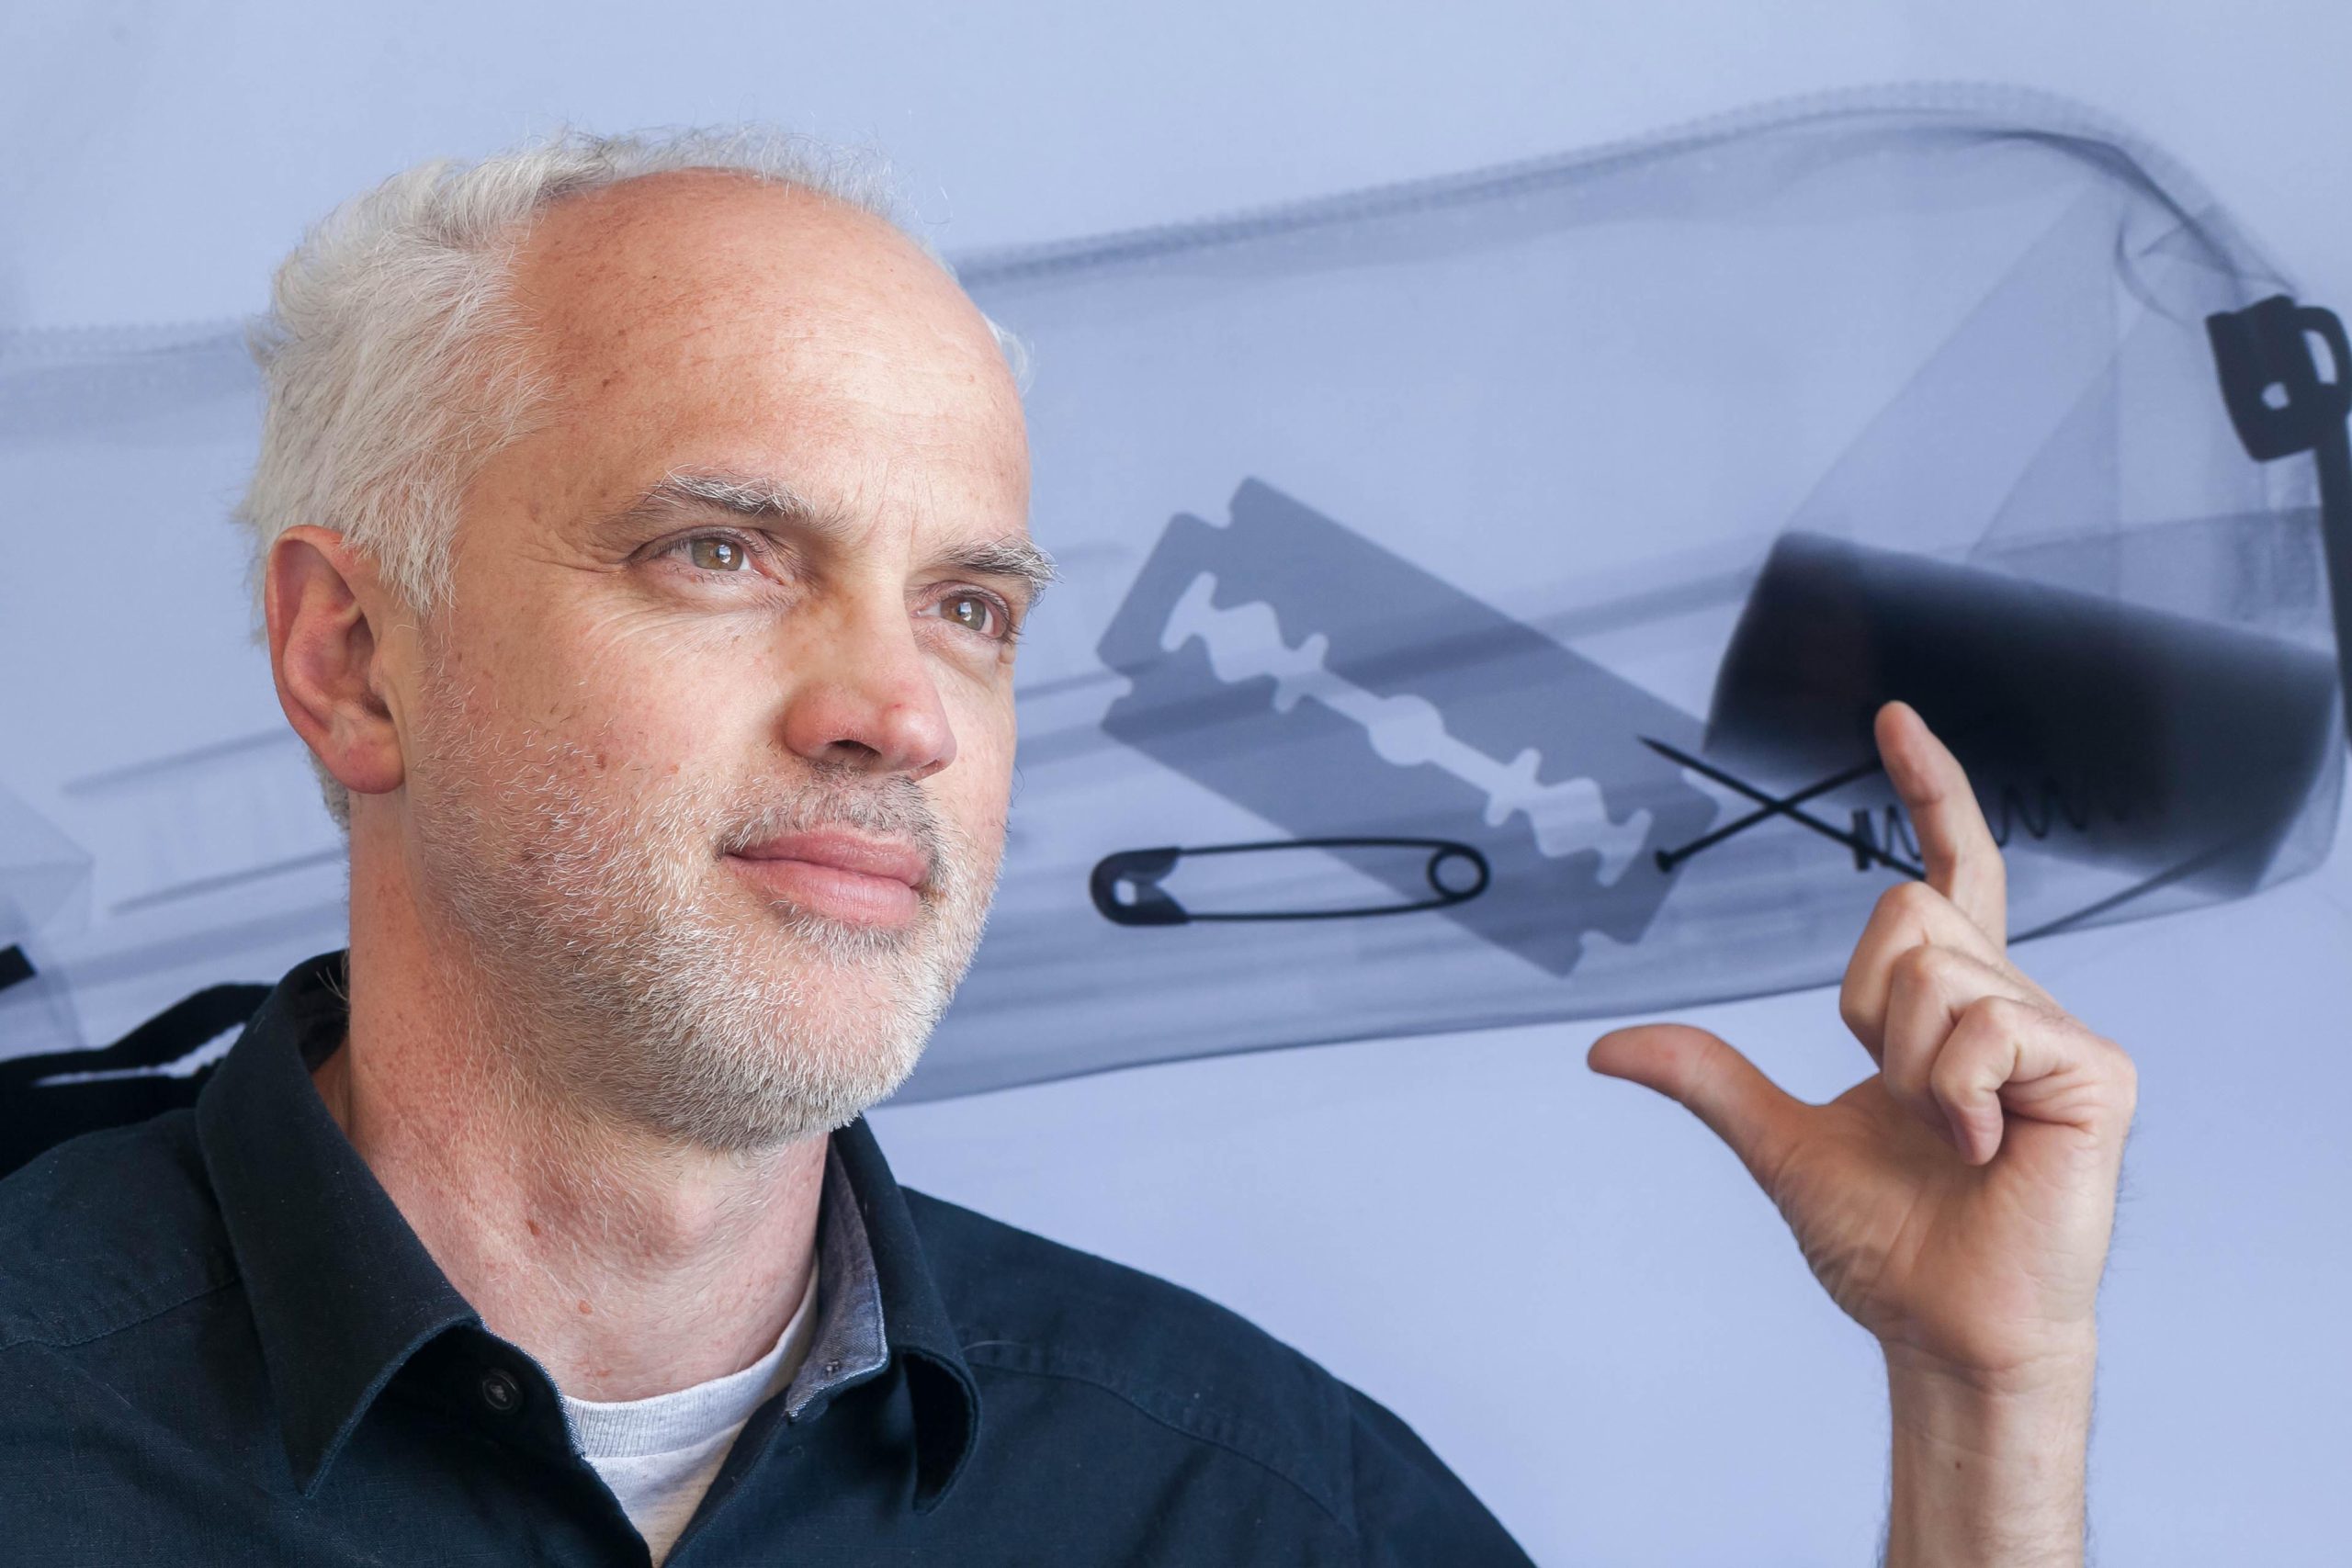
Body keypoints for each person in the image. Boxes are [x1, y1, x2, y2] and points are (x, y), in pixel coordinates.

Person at [0, 130, 2137, 1566]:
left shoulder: (1248, 1507)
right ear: (352, 656)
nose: (897, 709)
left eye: (969, 606)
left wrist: (1981, 1399)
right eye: (720, 550)